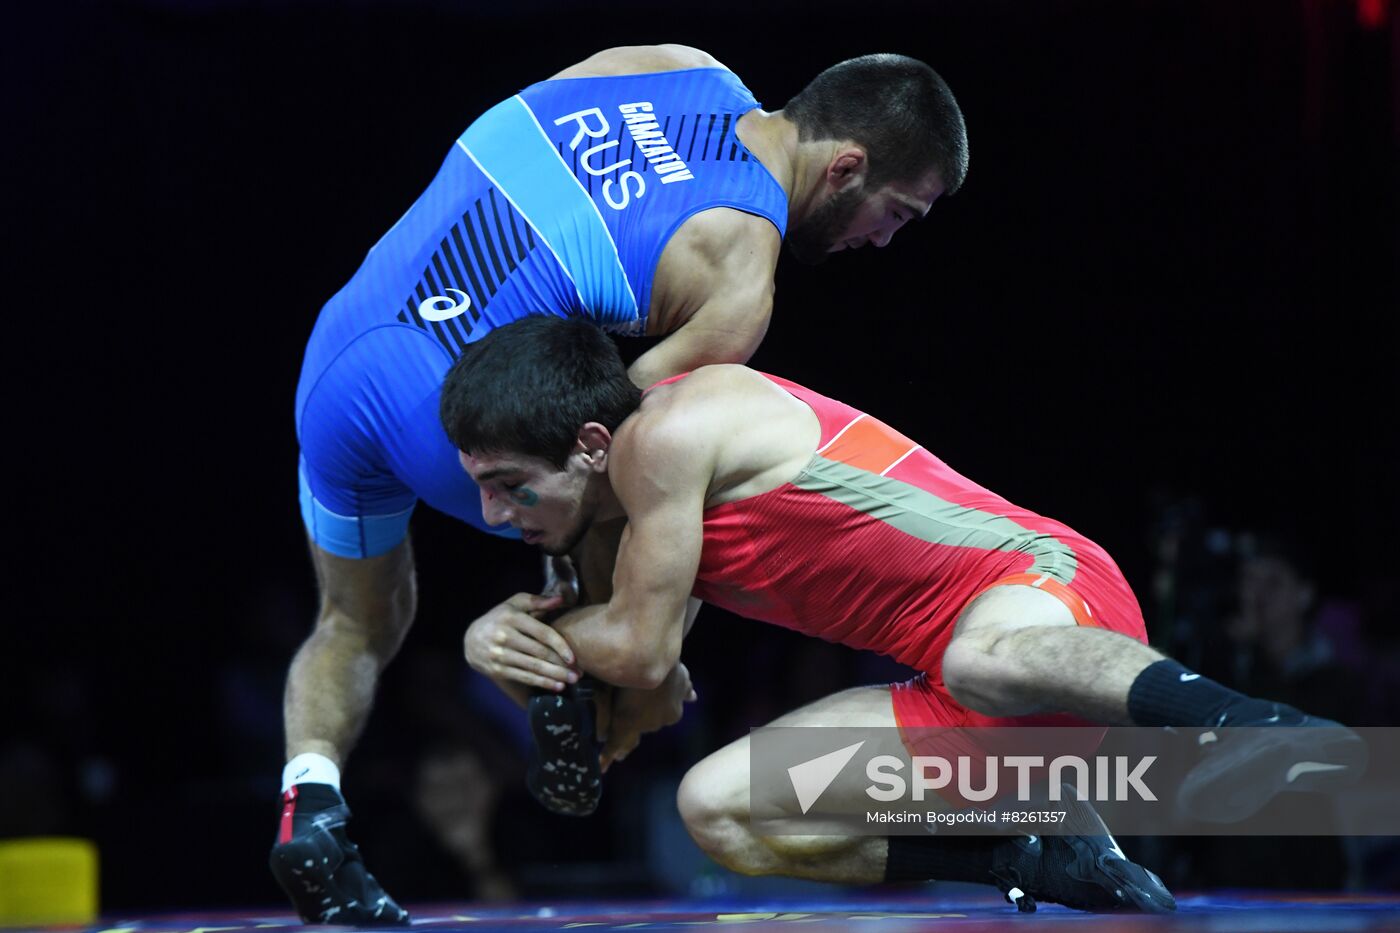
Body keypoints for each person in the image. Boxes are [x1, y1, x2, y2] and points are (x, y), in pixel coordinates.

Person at [273, 44, 970, 924]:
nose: (886, 240)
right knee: (687, 495)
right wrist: (630, 638)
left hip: (338, 356)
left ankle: (311, 801)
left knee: (351, 620)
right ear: (846, 167)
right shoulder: (740, 274)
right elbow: (618, 457)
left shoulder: (677, 65)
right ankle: (590, 690)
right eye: (898, 213)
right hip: (450, 419)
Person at [443, 315, 1366, 914]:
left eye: (510, 487)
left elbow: (640, 654)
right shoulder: (634, 523)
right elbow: (654, 695)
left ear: (592, 445)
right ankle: (1033, 853)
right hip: (974, 703)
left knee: (978, 655)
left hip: (1048, 589)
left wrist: (499, 637)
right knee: (715, 810)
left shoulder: (672, 432)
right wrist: (563, 690)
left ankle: (1249, 726)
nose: (494, 517)